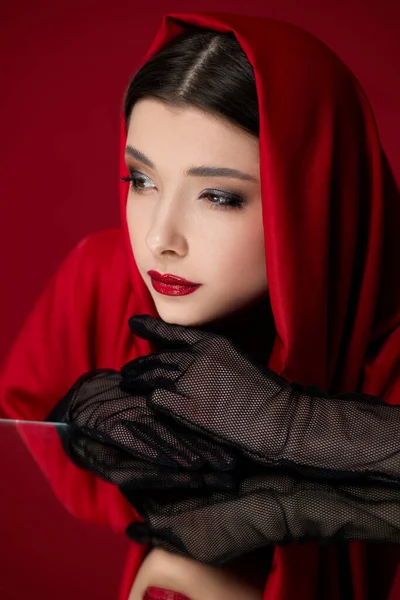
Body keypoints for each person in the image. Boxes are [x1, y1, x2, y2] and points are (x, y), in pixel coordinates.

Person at [1, 10, 399, 600]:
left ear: (313, 199)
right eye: (141, 180)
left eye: (218, 195)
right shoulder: (103, 277)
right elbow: (24, 410)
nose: (161, 237)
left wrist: (293, 423)